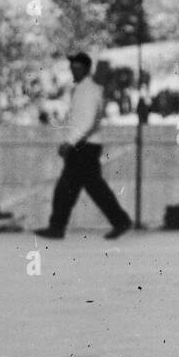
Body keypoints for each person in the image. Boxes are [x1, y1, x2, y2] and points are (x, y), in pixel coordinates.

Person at [35, 53, 132, 241]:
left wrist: (69, 143)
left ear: (87, 69)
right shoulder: (85, 89)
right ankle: (120, 220)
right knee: (93, 188)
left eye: (77, 67)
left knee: (67, 189)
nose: (73, 70)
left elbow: (87, 121)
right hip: (86, 145)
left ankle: (57, 227)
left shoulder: (88, 90)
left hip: (83, 146)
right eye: (72, 67)